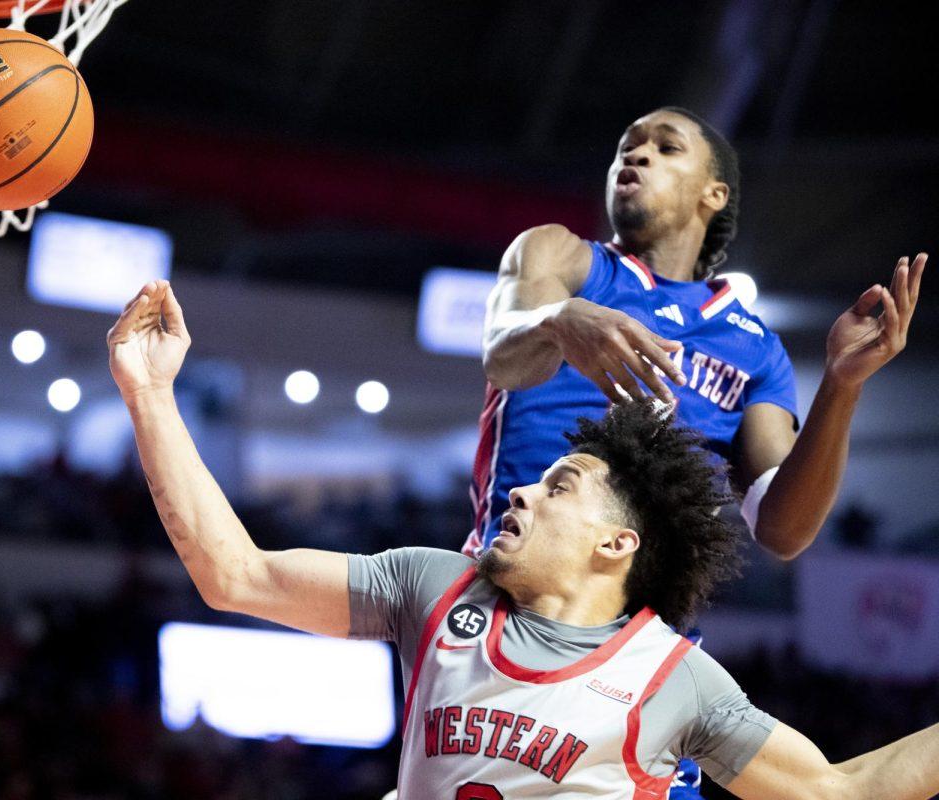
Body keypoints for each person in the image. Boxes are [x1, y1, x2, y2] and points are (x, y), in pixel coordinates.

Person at [107, 280, 939, 800]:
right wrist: (148, 394)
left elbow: (844, 790)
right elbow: (236, 575)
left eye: (559, 486)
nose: (521, 489)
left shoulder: (671, 678)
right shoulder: (435, 588)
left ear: (616, 544)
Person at [467, 106, 927, 563]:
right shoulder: (560, 255)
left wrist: (842, 385)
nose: (637, 155)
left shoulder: (757, 348)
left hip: (645, 605)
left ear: (714, 194)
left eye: (667, 147)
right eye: (628, 147)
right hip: (512, 576)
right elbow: (504, 361)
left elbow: (783, 531)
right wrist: (558, 320)